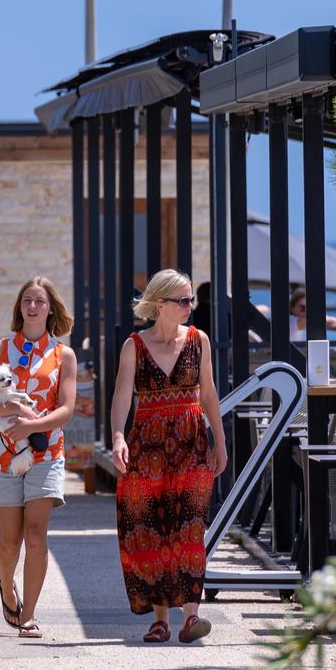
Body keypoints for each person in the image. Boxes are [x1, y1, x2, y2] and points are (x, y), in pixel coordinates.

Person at [111, 268, 227, 644]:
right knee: (152, 529)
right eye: (183, 300)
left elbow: (208, 394)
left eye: (191, 298)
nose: (190, 306)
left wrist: (219, 441)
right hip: (147, 447)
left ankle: (191, 617)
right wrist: (116, 437)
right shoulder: (134, 346)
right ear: (159, 304)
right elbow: (121, 397)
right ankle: (159, 619)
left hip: (191, 444)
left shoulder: (199, 341)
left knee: (191, 527)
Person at [0, 276, 77, 640]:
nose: (33, 307)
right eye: (27, 301)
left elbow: (66, 410)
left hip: (45, 453)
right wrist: (7, 404)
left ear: (51, 309)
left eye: (40, 302)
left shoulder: (64, 355)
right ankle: (6, 584)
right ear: (19, 308)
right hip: (1, 456)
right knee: (9, 543)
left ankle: (28, 616)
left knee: (35, 536)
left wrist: (32, 427)